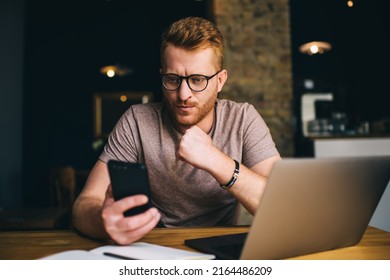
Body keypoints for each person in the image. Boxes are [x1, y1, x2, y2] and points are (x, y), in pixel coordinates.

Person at [72, 16, 281, 245]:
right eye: (172, 79)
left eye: (198, 80)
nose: (183, 94)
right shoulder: (137, 120)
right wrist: (105, 222)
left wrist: (216, 161)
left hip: (220, 246)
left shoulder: (242, 119)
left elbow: (282, 206)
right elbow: (85, 203)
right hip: (154, 247)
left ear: (220, 81)